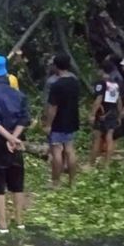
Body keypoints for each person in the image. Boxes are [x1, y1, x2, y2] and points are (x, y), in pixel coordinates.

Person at [0, 54, 30, 233]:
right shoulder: (19, 95)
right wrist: (15, 138)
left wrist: (8, 138)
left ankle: (2, 224)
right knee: (17, 181)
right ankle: (19, 221)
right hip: (15, 144)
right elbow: (24, 119)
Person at [45, 54, 80, 187]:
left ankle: (56, 182)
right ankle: (72, 181)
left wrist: (48, 124)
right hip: (71, 119)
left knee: (57, 151)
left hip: (59, 122)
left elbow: (53, 107)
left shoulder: (56, 85)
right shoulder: (74, 82)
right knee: (70, 150)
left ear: (55, 66)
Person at [89, 60, 122, 167]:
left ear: (101, 70)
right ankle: (107, 164)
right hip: (112, 112)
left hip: (101, 114)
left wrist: (93, 114)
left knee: (97, 138)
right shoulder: (115, 84)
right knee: (109, 138)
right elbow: (119, 100)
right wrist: (119, 114)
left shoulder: (101, 83)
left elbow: (98, 99)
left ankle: (91, 163)